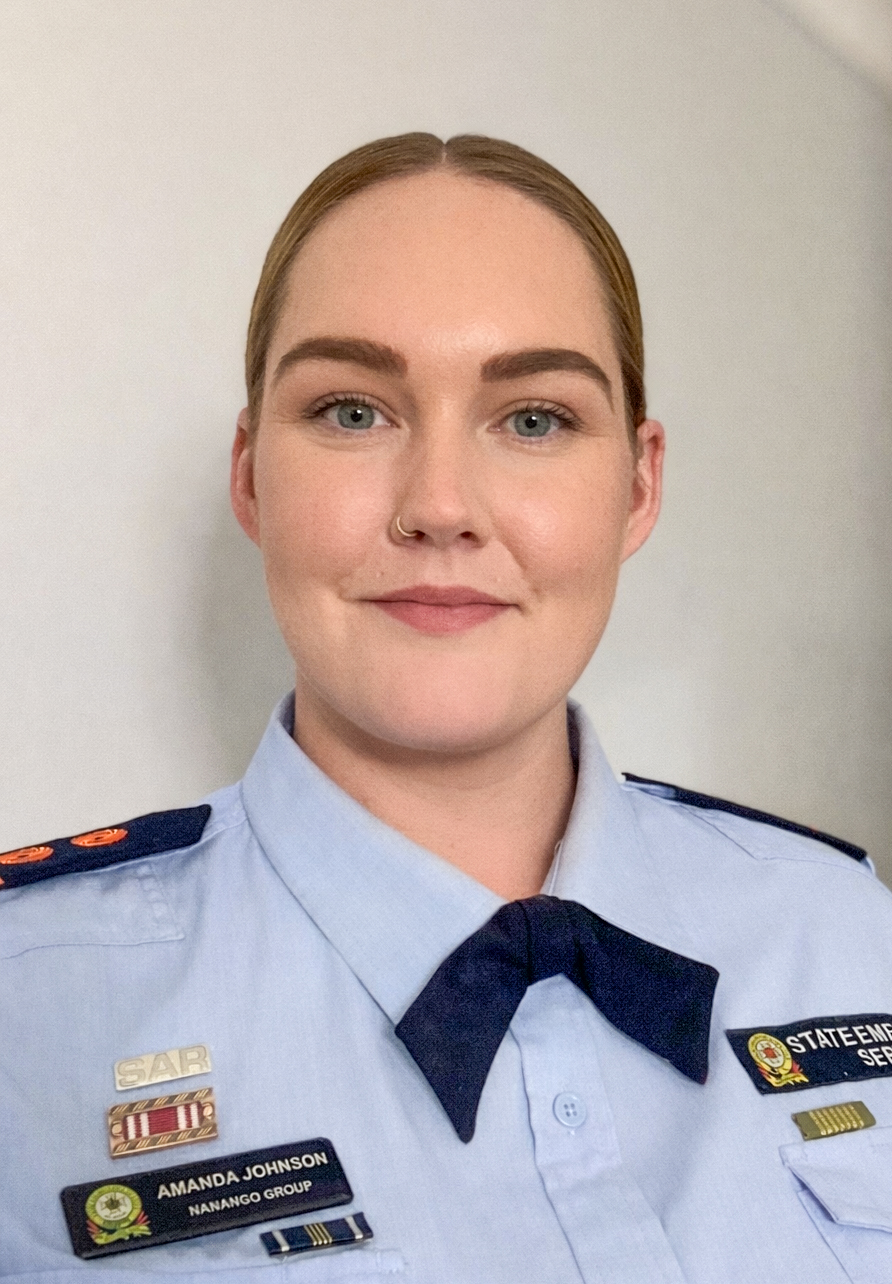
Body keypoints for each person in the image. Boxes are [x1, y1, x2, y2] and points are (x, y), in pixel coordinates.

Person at [2, 133, 891, 1284]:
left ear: (639, 484)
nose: (438, 507)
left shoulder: (847, 934)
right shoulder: (26, 1005)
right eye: (351, 411)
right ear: (250, 476)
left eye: (533, 419)